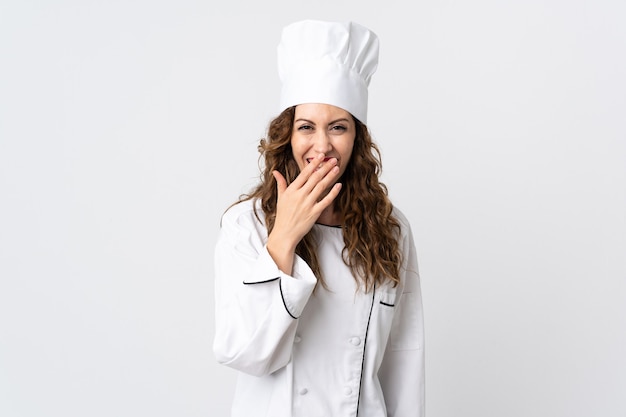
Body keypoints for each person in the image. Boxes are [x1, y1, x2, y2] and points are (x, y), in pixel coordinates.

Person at [213, 20, 425, 417]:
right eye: (306, 127)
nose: (322, 146)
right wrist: (283, 239)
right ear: (287, 135)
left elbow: (403, 362)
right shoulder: (248, 224)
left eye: (338, 127)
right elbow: (242, 351)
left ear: (357, 138)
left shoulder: (391, 229)